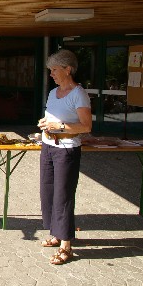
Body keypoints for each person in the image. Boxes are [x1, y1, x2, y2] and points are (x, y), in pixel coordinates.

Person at [37, 49, 91, 265]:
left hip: (67, 149)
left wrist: (58, 126)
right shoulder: (53, 93)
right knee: (47, 192)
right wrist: (45, 123)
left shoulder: (79, 94)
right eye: (50, 70)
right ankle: (55, 233)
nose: (51, 74)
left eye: (55, 70)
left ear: (68, 69)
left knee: (63, 196)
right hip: (48, 146)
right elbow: (51, 117)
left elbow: (86, 126)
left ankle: (66, 246)